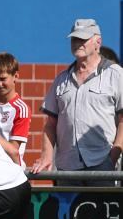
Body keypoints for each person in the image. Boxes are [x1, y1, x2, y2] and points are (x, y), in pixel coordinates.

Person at [32, 19, 123, 187]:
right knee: (67, 213)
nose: (77, 43)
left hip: (102, 166)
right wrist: (46, 155)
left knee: (101, 213)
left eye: (83, 39)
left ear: (98, 42)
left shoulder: (116, 74)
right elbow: (51, 124)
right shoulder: (61, 80)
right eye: (74, 39)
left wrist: (113, 157)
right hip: (67, 169)